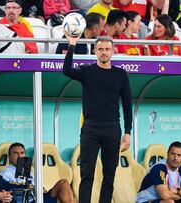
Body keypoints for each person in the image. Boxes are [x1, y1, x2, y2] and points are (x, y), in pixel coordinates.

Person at [63, 35, 132, 203]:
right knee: (87, 175)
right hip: (90, 129)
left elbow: (127, 104)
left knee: (109, 175)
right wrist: (72, 45)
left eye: (107, 49)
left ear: (113, 51)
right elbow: (67, 70)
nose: (104, 52)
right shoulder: (87, 71)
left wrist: (128, 132)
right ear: (95, 51)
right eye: (100, 49)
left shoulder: (121, 74)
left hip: (112, 129)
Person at [0, 142, 75, 203]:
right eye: (15, 153)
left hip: (38, 197)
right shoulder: (5, 173)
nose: (19, 156)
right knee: (61, 200)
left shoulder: (28, 171)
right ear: (9, 157)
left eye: (22, 153)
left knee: (63, 183)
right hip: (25, 200)